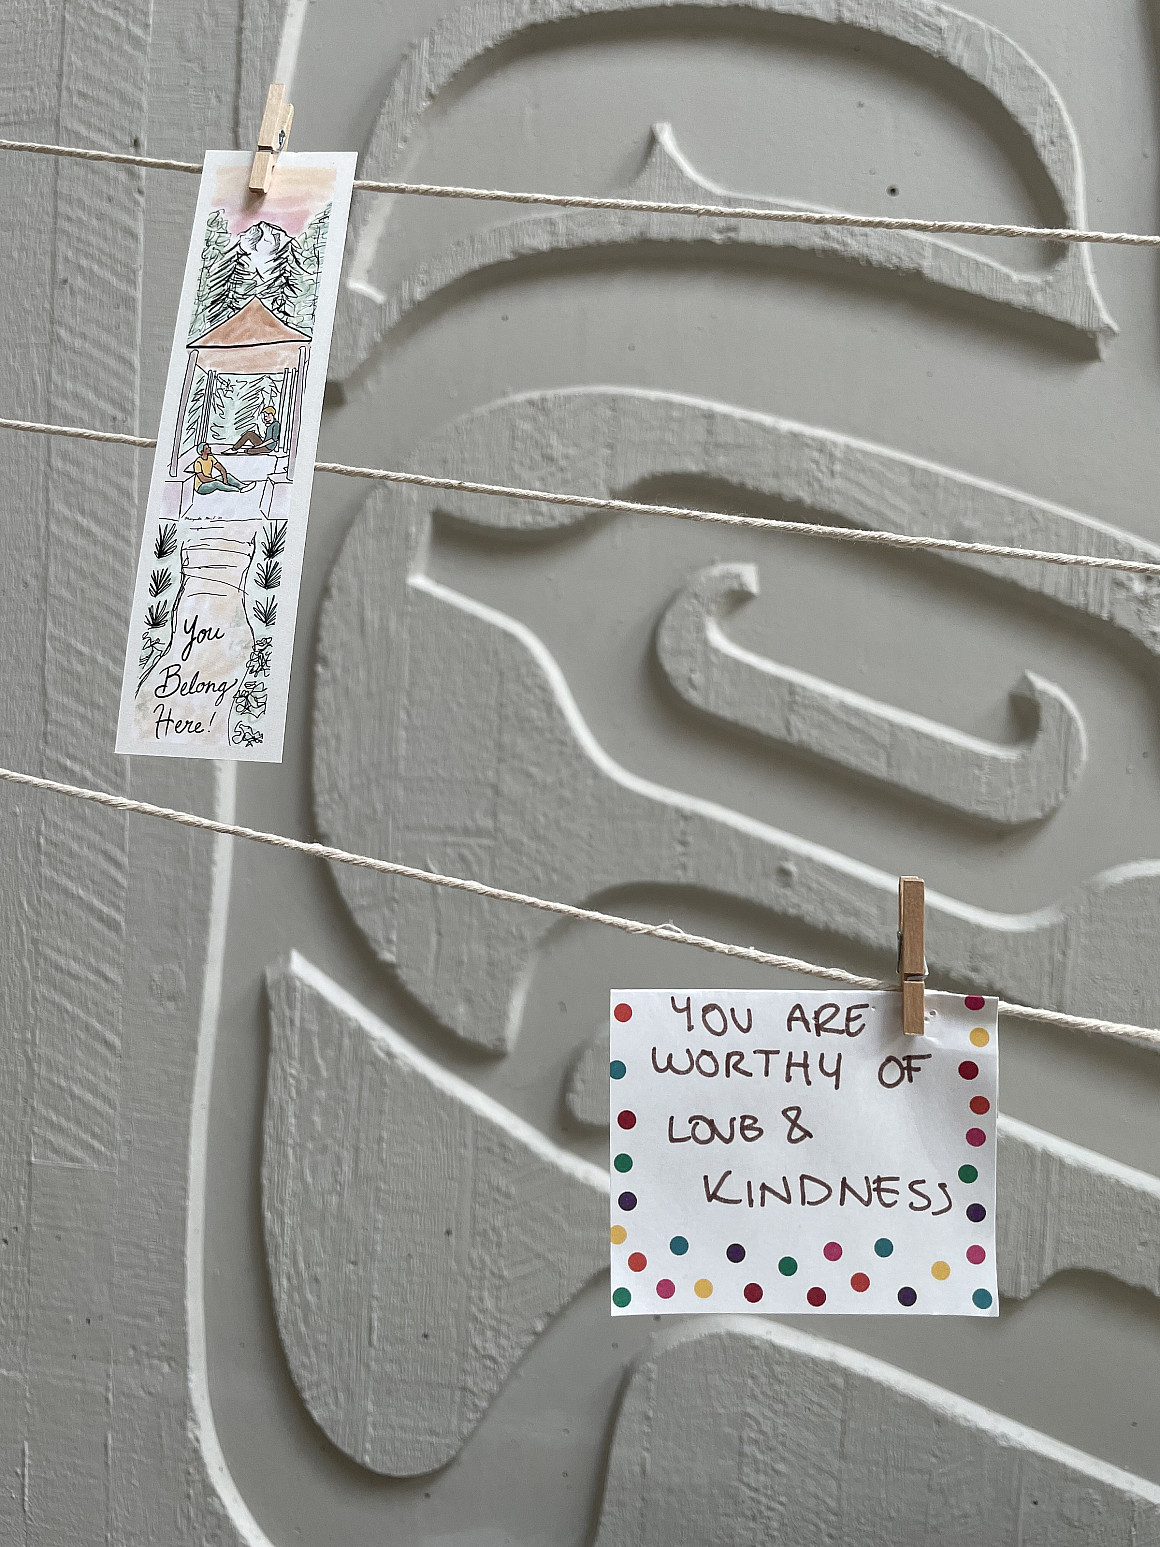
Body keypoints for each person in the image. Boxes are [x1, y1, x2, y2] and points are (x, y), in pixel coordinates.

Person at [191, 444, 255, 495]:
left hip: (210, 481)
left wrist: (225, 480)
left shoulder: (211, 458)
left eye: (208, 447)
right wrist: (215, 480)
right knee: (216, 483)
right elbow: (203, 479)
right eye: (206, 448)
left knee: (228, 476)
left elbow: (222, 469)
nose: (209, 448)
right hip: (201, 486)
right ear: (202, 452)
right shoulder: (198, 462)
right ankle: (238, 490)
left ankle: (243, 486)